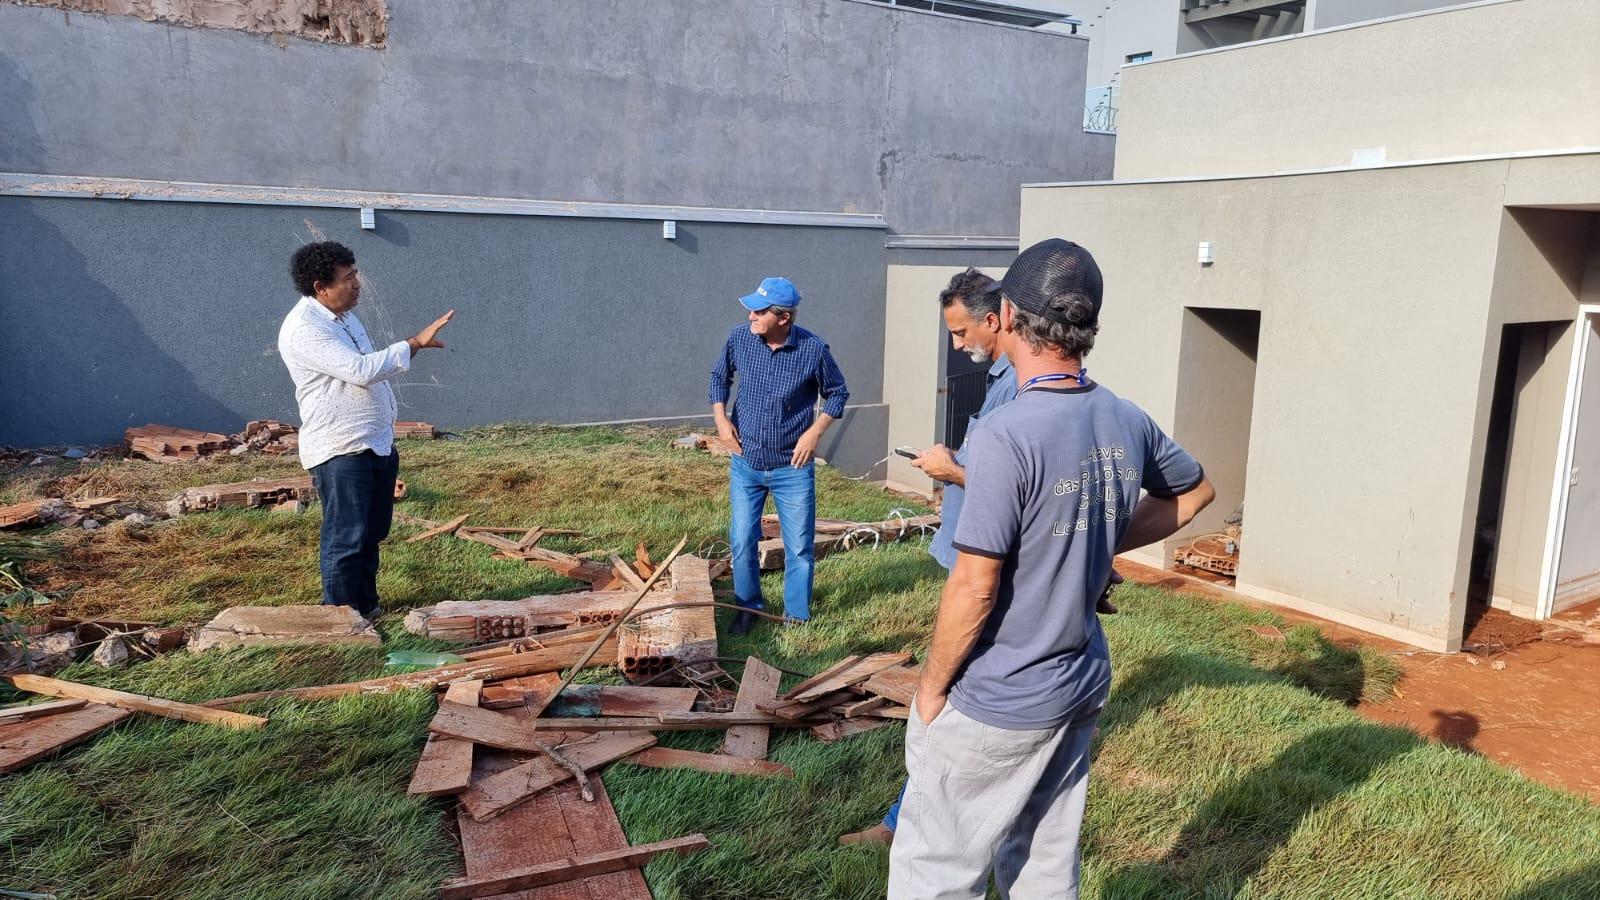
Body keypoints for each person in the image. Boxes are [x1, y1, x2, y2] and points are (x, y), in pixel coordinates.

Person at [888, 239, 1215, 899]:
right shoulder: (1123, 416)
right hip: (1078, 681)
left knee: (935, 874)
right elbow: (1195, 491)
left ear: (1006, 314)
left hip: (999, 697)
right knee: (1042, 868)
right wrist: (1093, 544)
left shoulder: (1005, 435)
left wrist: (929, 692)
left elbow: (975, 586)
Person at [278, 241, 455, 620]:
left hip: (373, 443)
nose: (357, 283)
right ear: (320, 287)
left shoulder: (343, 316)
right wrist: (414, 343)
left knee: (372, 531)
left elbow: (368, 365)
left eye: (355, 273)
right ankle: (341, 619)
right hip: (341, 448)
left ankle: (366, 607)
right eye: (348, 278)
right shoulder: (305, 329)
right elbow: (361, 371)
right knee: (347, 538)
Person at [710, 276, 850, 636]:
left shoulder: (813, 350)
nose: (751, 316)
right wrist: (721, 421)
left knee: (800, 546)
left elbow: (837, 393)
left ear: (783, 317)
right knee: (742, 540)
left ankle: (796, 617)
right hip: (746, 463)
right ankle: (748, 608)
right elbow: (718, 377)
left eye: (758, 310)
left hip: (793, 467)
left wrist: (815, 431)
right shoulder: (739, 339)